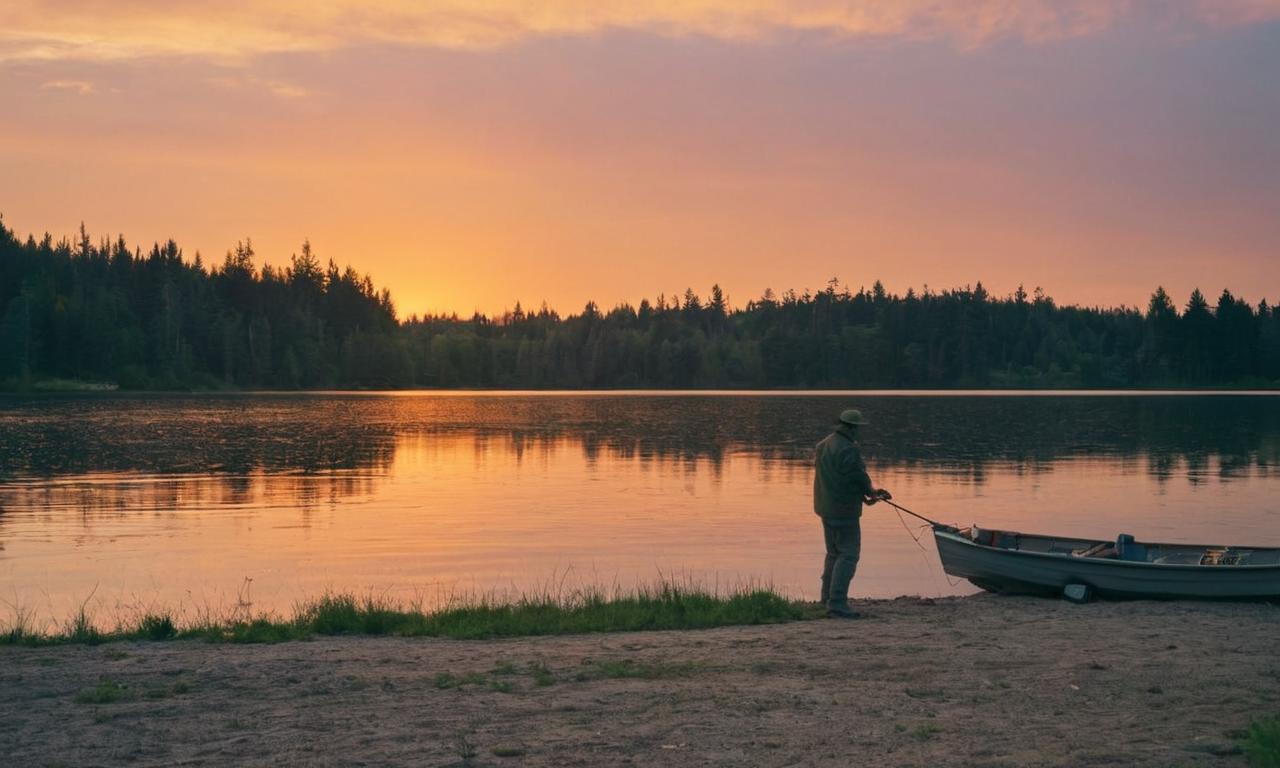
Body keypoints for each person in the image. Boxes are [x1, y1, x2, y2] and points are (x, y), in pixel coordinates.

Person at [813, 408, 891, 619]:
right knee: (848, 555)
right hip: (844, 511)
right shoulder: (848, 449)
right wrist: (872, 493)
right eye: (858, 428)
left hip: (825, 508)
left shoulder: (823, 445)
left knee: (833, 553)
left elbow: (839, 479)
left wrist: (869, 495)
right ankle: (837, 604)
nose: (859, 432)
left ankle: (825, 599)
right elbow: (857, 477)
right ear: (853, 427)